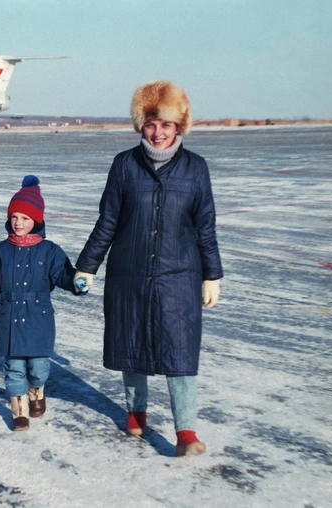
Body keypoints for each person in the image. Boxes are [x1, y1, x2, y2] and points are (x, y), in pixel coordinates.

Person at [74, 81, 223, 456]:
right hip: (130, 271)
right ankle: (135, 413)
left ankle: (186, 431)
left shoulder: (196, 169)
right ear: (142, 125)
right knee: (133, 343)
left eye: (166, 125)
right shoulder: (124, 165)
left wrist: (212, 274)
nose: (158, 133)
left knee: (181, 351)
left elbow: (205, 226)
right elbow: (107, 221)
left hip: (180, 275)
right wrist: (87, 266)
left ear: (179, 127)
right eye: (151, 124)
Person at [0, 175, 87, 431]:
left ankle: (37, 391)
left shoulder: (50, 250)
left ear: (36, 220)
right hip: (8, 315)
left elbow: (62, 275)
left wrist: (77, 283)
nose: (18, 223)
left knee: (39, 368)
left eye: (24, 218)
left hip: (39, 316)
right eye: (14, 217)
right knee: (13, 369)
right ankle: (19, 412)